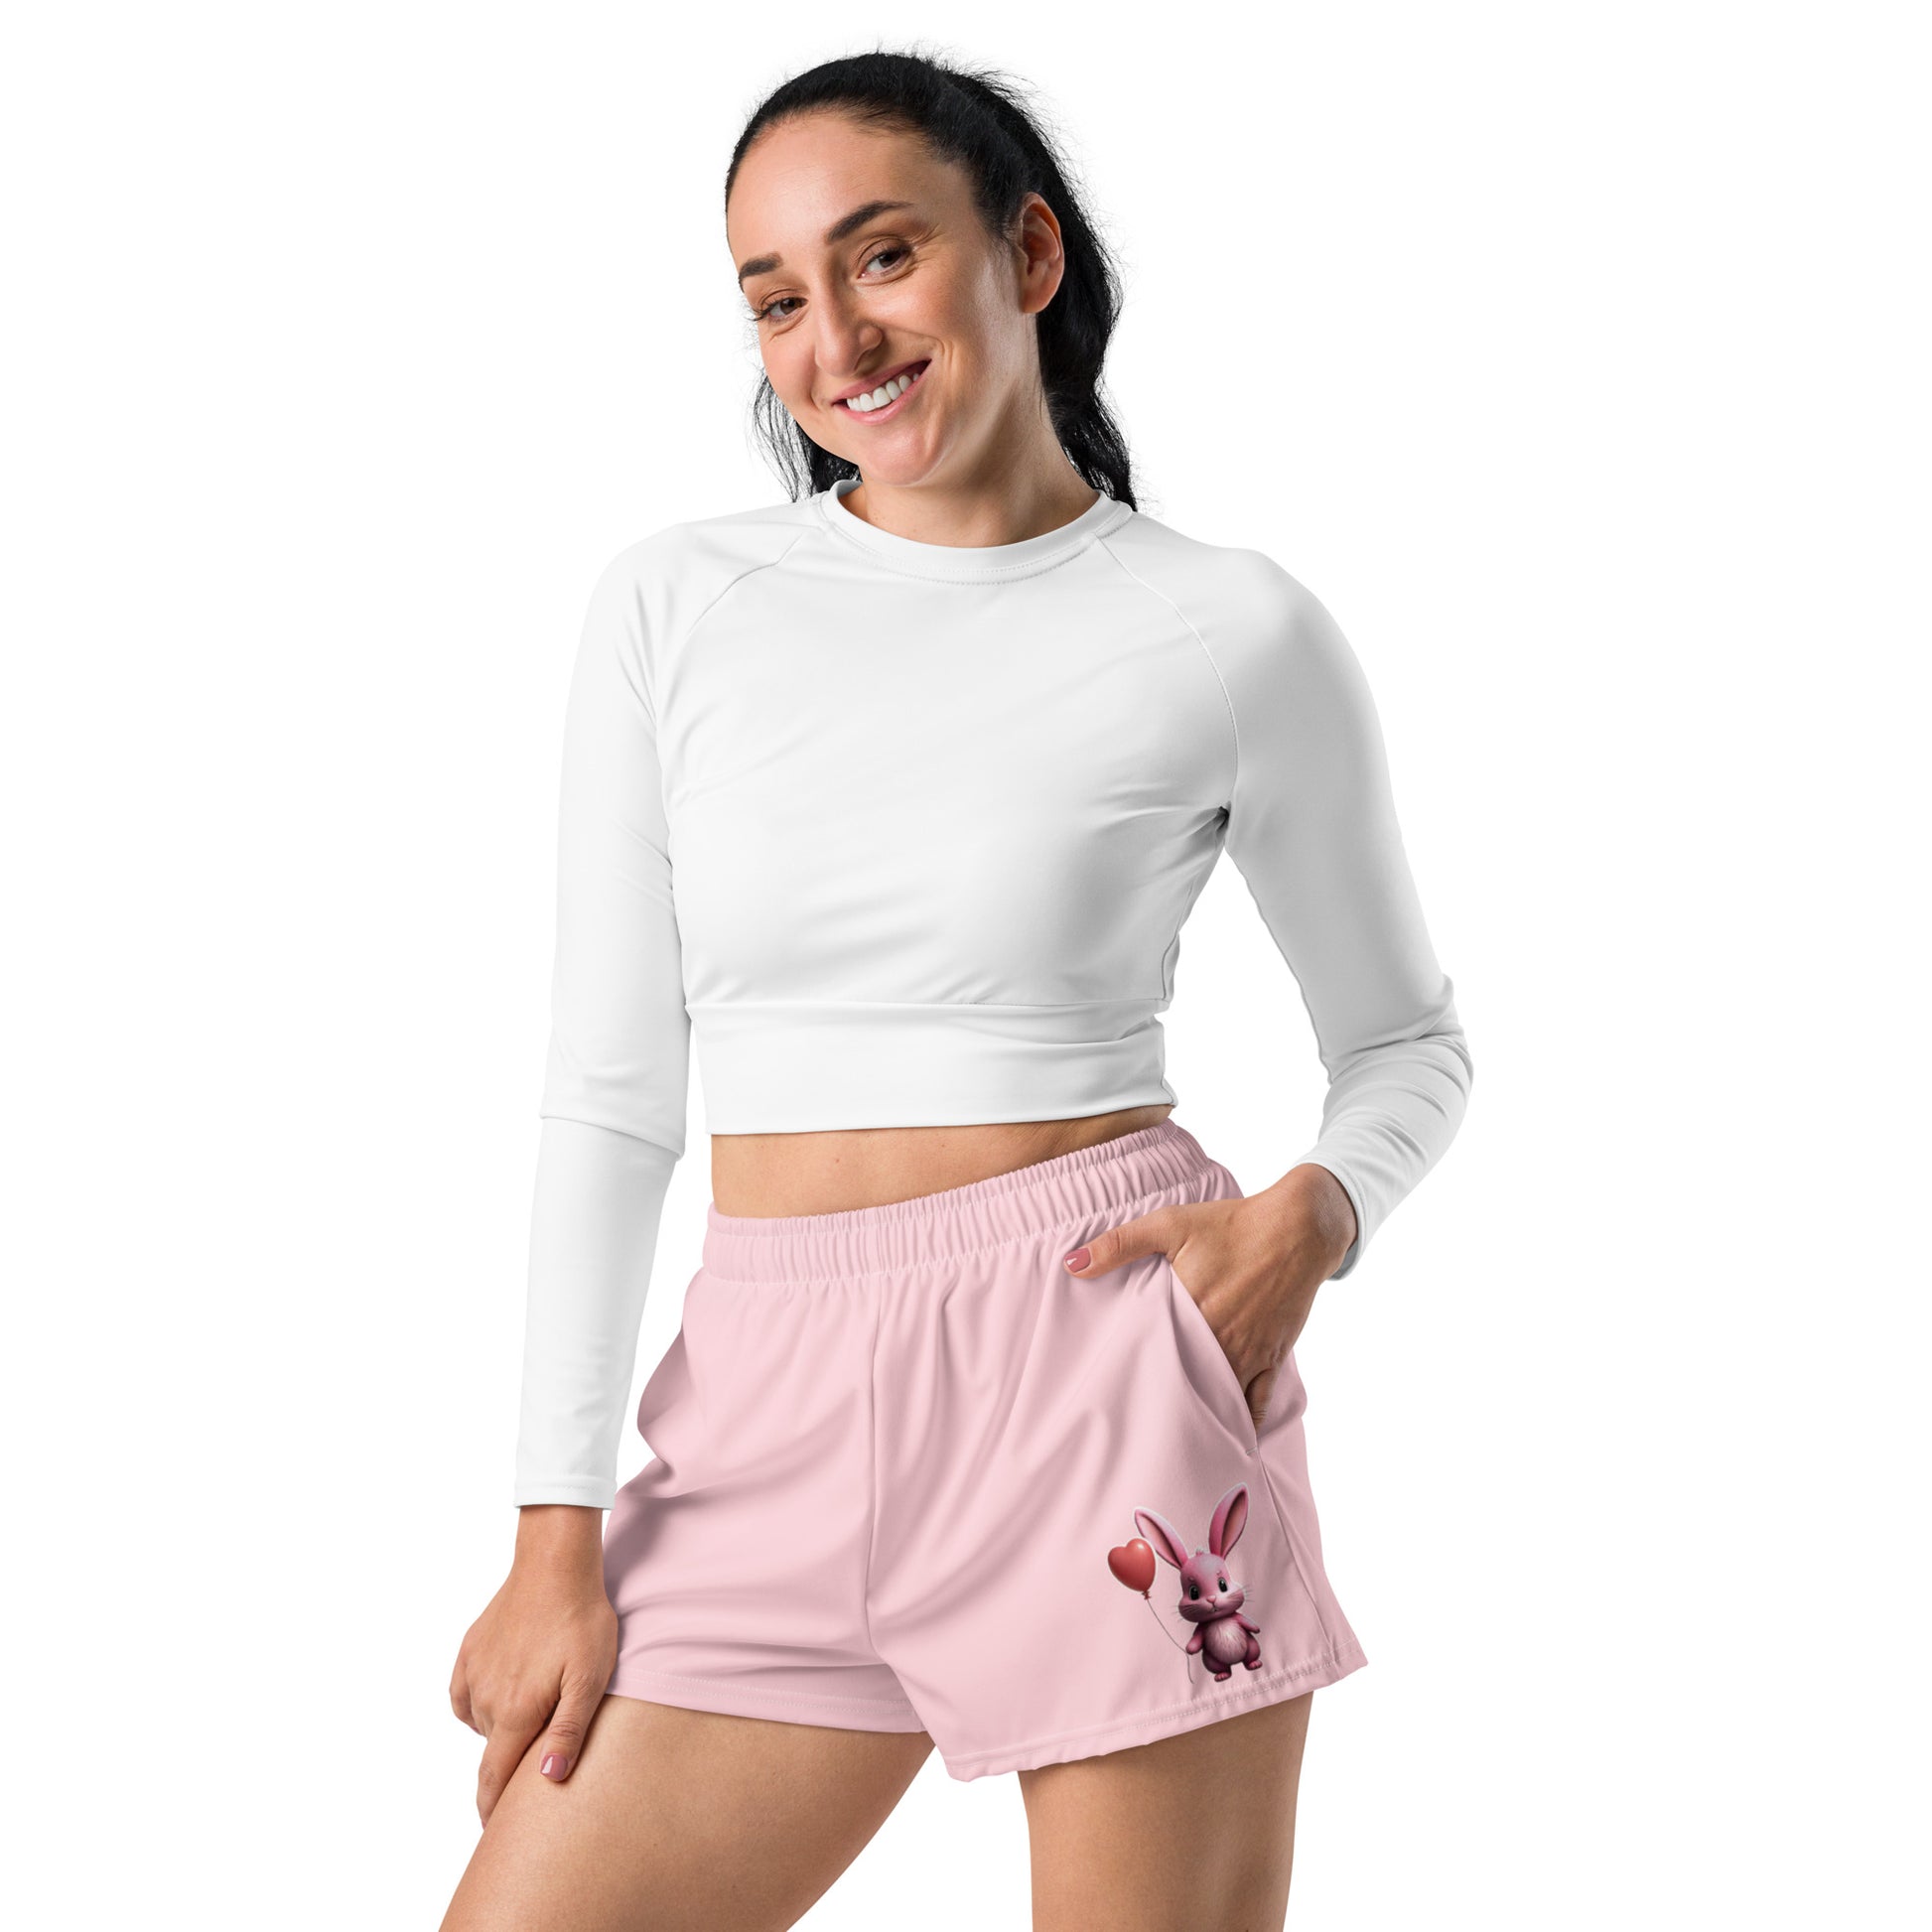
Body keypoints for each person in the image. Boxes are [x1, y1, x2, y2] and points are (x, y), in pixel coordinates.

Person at [441, 48, 1471, 1932]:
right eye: (774, 298)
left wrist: (1312, 1219)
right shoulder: (678, 606)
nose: (834, 337)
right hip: (759, 1412)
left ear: (1028, 254)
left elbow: (1405, 1041)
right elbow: (610, 1095)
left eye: (881, 255)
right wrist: (550, 1527)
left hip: (1100, 1378)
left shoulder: (1224, 626)